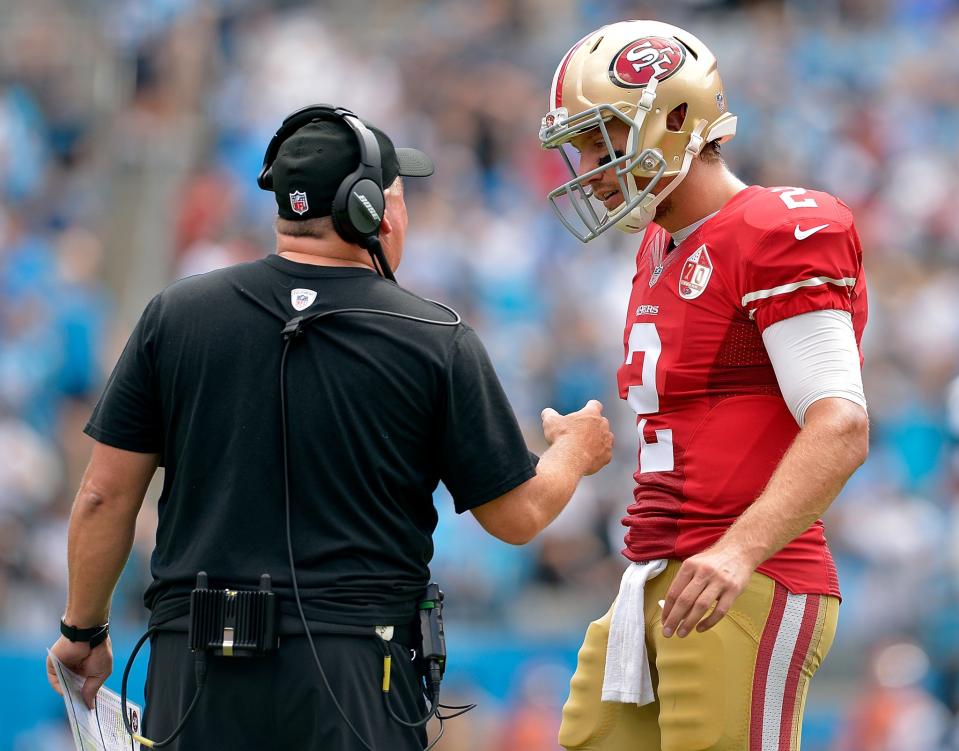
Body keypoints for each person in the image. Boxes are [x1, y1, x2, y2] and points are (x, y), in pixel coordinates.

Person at [45, 105, 614, 751]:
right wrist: (573, 452)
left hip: (196, 666)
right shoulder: (433, 337)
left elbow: (102, 494)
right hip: (353, 670)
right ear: (370, 208)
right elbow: (518, 516)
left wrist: (83, 631)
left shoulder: (174, 314)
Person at [539, 21, 869, 751]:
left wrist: (738, 550)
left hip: (744, 576)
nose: (588, 168)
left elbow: (839, 423)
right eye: (581, 147)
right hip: (657, 572)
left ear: (676, 118)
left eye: (605, 141)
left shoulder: (777, 227)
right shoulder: (660, 243)